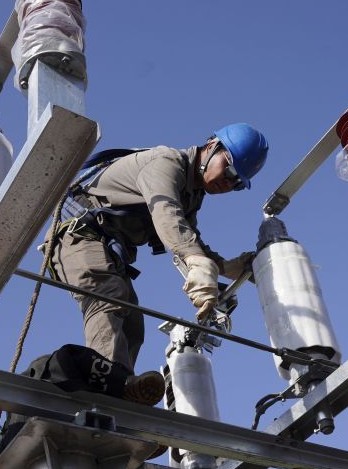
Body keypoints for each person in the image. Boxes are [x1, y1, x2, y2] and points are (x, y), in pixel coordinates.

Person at [48, 123, 269, 405]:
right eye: (230, 170)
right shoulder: (166, 163)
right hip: (78, 235)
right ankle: (106, 389)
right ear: (212, 146)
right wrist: (196, 261)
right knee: (108, 297)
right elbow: (167, 214)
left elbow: (189, 238)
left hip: (106, 248)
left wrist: (228, 267)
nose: (228, 182)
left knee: (132, 323)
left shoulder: (191, 194)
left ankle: (121, 395)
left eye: (237, 183)